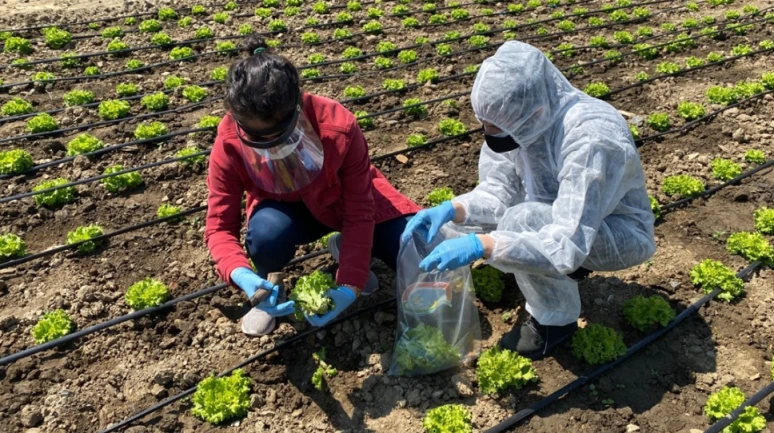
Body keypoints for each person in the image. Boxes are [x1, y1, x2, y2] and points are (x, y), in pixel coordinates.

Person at [401, 41, 656, 360]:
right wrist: (452, 209)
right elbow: (497, 192)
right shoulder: (517, 123)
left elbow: (566, 241)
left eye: (496, 126)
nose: (489, 133)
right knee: (466, 227)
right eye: (486, 124)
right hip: (552, 212)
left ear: (533, 111)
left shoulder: (592, 138)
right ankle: (533, 268)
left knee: (520, 222)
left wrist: (484, 245)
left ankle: (554, 323)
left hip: (614, 231)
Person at [205, 35, 420, 336]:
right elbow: (219, 227)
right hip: (285, 213)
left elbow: (359, 208)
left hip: (340, 201)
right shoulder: (228, 142)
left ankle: (347, 249)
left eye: (278, 138)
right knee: (266, 236)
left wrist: (350, 283)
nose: (271, 148)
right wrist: (240, 273)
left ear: (297, 109)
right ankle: (268, 291)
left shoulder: (338, 125)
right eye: (258, 142)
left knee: (412, 249)